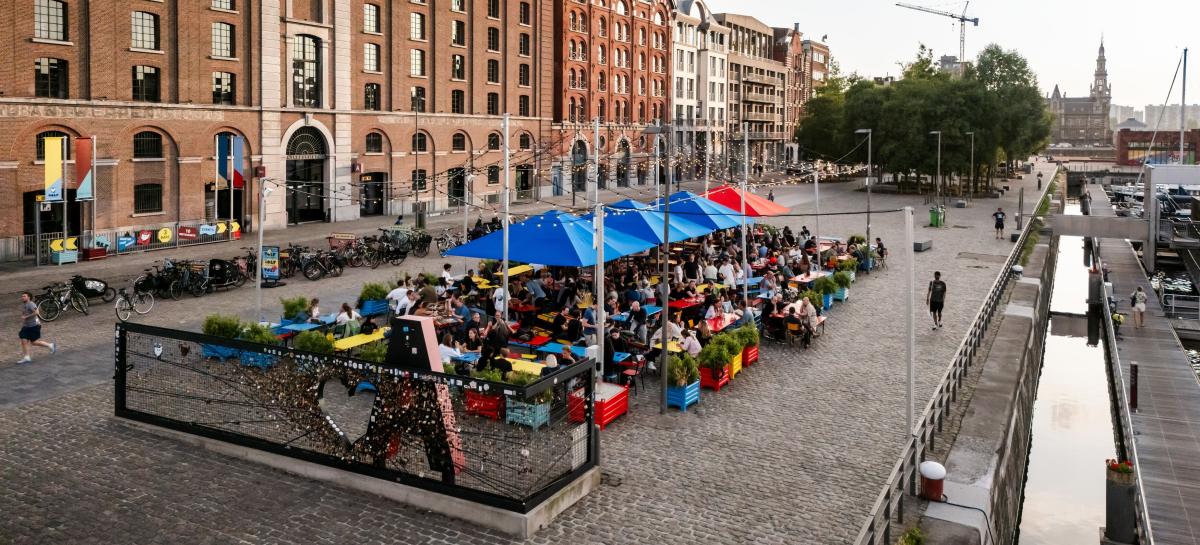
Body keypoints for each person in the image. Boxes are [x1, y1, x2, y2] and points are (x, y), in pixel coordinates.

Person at [17, 292, 55, 364]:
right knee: (23, 340)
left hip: (34, 326)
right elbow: (25, 313)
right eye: (22, 296)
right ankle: (27, 357)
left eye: (24, 296)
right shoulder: (25, 304)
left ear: (29, 297)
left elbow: (37, 312)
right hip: (26, 326)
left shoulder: (31, 304)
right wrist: (23, 316)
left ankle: (50, 345)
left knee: (33, 342)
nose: (22, 297)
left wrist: (26, 317)